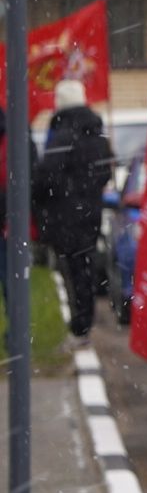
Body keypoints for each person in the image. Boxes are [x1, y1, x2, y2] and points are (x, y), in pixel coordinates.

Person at [34, 79, 112, 343]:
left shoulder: (64, 134)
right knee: (84, 268)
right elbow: (105, 172)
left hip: (66, 216)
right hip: (90, 213)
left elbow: (46, 176)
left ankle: (80, 325)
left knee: (73, 270)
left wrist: (51, 197)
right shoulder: (97, 133)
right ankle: (84, 322)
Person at [0, 104, 38, 310]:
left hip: (10, 221)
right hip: (10, 219)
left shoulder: (16, 141)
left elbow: (27, 180)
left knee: (11, 276)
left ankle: (16, 331)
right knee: (12, 276)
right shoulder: (16, 138)